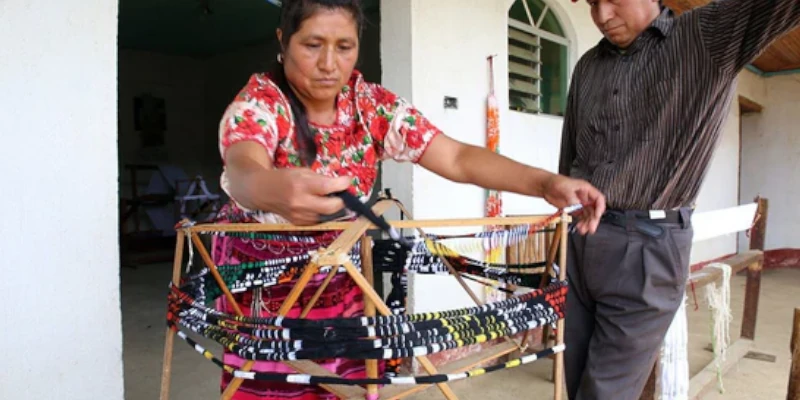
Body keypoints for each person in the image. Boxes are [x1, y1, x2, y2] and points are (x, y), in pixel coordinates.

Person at [212, 0, 606, 399]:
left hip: (337, 276)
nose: (329, 64)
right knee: (273, 381)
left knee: (341, 382)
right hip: (264, 285)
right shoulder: (261, 103)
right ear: (284, 40)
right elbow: (243, 168)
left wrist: (544, 184)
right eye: (312, 45)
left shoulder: (370, 107)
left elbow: (456, 157)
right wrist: (271, 189)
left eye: (344, 47)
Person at [559, 0, 800, 398]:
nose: (602, 15)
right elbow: (570, 156)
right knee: (572, 377)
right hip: (580, 240)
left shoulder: (705, 36)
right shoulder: (587, 66)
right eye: (590, 3)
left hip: (647, 246)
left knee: (604, 392)